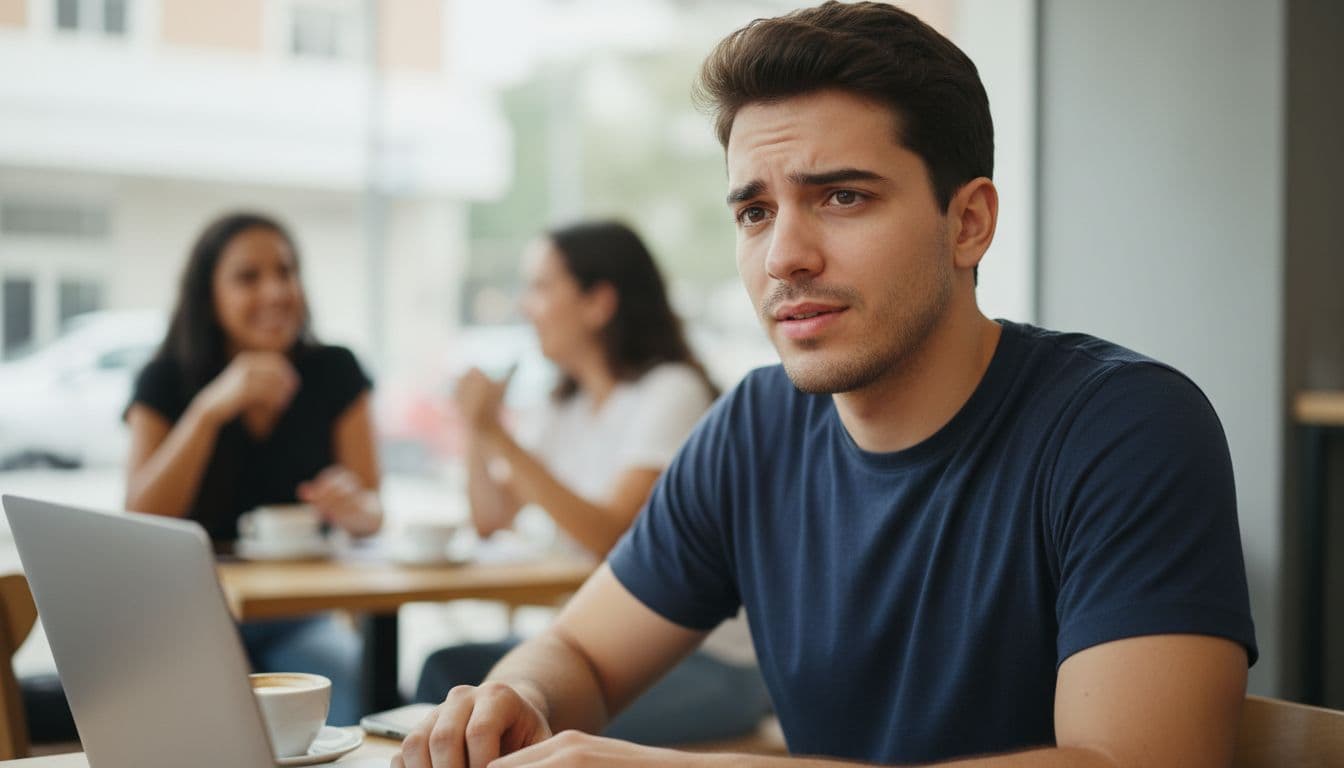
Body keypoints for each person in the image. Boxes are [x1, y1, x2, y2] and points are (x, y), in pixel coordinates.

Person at [395, 3, 1257, 766]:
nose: (784, 257)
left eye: (841, 198)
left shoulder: (1126, 428)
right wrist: (519, 700)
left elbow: (1131, 762)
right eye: (754, 212)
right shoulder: (754, 430)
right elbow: (578, 654)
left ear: (968, 222)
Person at [415, 220, 770, 744]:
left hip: (710, 664)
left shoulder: (670, 391)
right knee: (449, 677)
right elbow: (491, 520)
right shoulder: (564, 406)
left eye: (539, 287)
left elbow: (612, 538)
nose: (523, 306)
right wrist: (478, 431)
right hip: (612, 655)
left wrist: (501, 439)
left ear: (598, 302)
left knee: (480, 707)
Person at [124, 212, 382, 726]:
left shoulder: (335, 370)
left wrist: (355, 508)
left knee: (356, 696)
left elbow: (373, 512)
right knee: (215, 724)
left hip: (298, 617)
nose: (275, 291)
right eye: (248, 277)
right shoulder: (166, 379)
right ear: (209, 294)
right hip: (189, 620)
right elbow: (138, 519)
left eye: (286, 272)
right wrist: (210, 410)